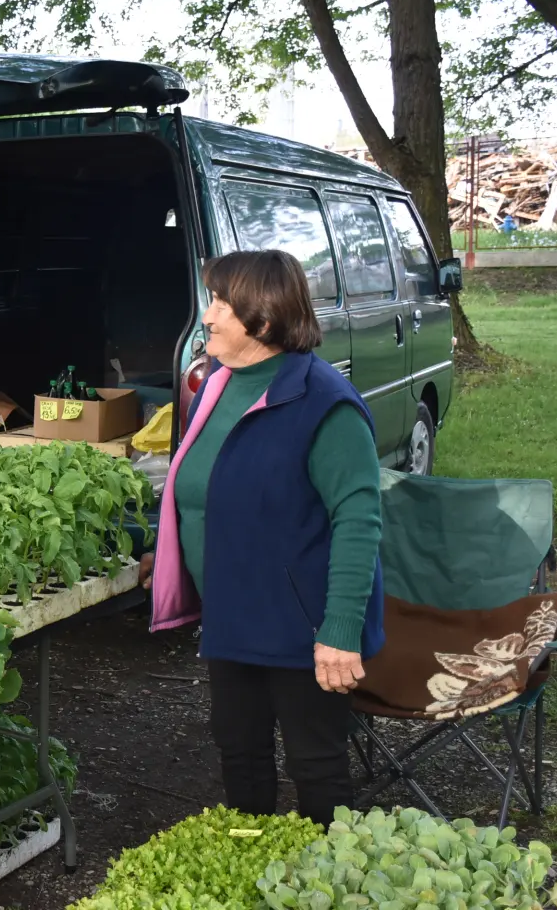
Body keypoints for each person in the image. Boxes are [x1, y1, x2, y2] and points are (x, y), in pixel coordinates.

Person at [141, 249, 384, 827]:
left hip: (304, 626)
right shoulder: (218, 384)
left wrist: (340, 630)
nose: (207, 316)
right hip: (232, 611)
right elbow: (202, 486)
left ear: (265, 320)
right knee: (240, 753)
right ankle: (255, 863)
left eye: (221, 304)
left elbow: (358, 521)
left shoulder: (324, 403)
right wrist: (166, 550)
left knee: (316, 765)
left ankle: (327, 870)